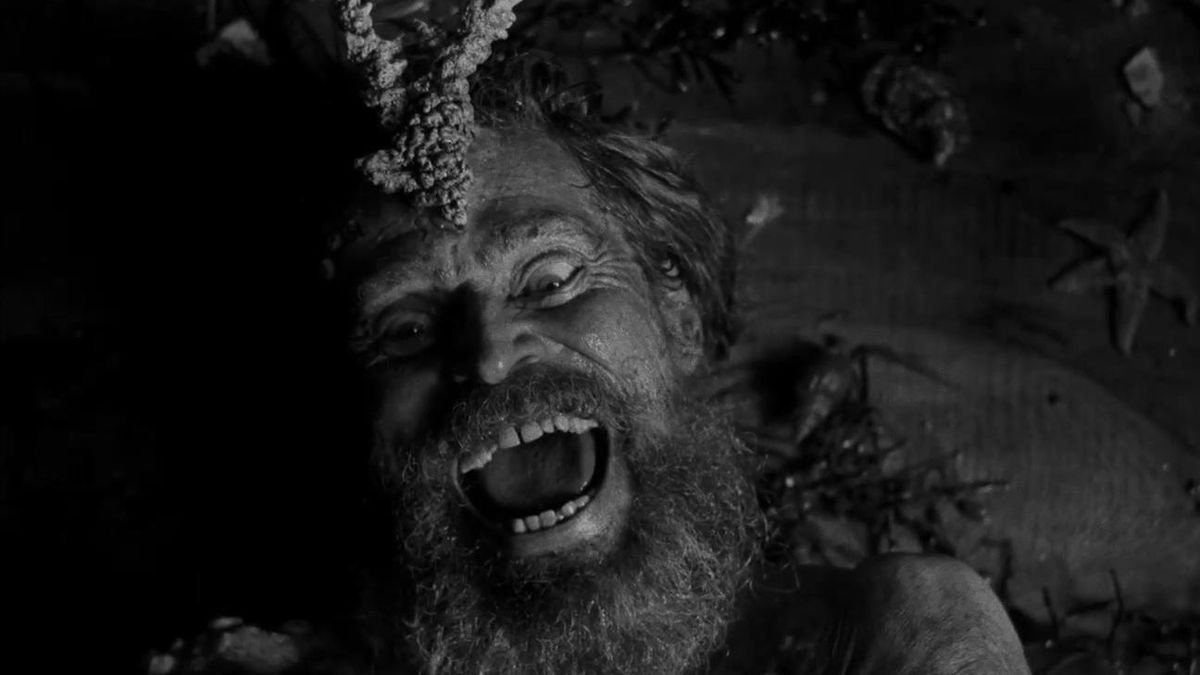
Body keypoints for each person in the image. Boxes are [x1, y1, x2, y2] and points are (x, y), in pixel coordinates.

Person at [151, 3, 1031, 673]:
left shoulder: (895, 641)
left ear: (677, 316)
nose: (490, 354)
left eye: (552, 279)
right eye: (405, 328)